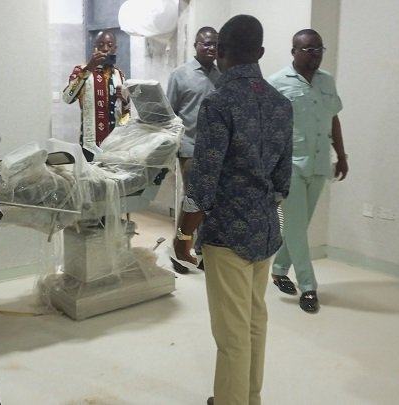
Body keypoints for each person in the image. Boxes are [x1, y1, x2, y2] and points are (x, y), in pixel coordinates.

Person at [173, 15, 292, 405]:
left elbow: (203, 181)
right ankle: (249, 397)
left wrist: (183, 234)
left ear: (221, 51)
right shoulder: (281, 104)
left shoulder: (218, 103)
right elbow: (282, 181)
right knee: (255, 322)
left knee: (231, 335)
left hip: (228, 235)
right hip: (265, 232)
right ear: (259, 52)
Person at [267, 28, 347, 313]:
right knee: (296, 225)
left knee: (299, 225)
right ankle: (308, 286)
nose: (315, 53)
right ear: (294, 52)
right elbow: (268, 129)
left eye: (319, 48)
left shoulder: (327, 81)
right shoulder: (276, 83)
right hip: (288, 165)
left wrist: (342, 154)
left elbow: (333, 118)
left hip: (318, 162)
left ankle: (278, 268)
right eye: (308, 48)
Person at [167, 26, 221, 274]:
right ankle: (179, 250)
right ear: (196, 45)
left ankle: (202, 250)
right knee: (192, 203)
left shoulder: (223, 77)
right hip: (190, 150)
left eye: (215, 45)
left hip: (217, 152)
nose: (211, 48)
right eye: (206, 44)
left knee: (210, 205)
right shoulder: (180, 75)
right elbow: (169, 115)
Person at [62, 30, 130, 161]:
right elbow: (67, 97)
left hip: (114, 147)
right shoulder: (81, 70)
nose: (105, 49)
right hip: (89, 147)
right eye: (101, 45)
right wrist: (89, 68)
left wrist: (126, 102)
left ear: (115, 49)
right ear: (95, 48)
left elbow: (126, 117)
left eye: (110, 45)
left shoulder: (119, 75)